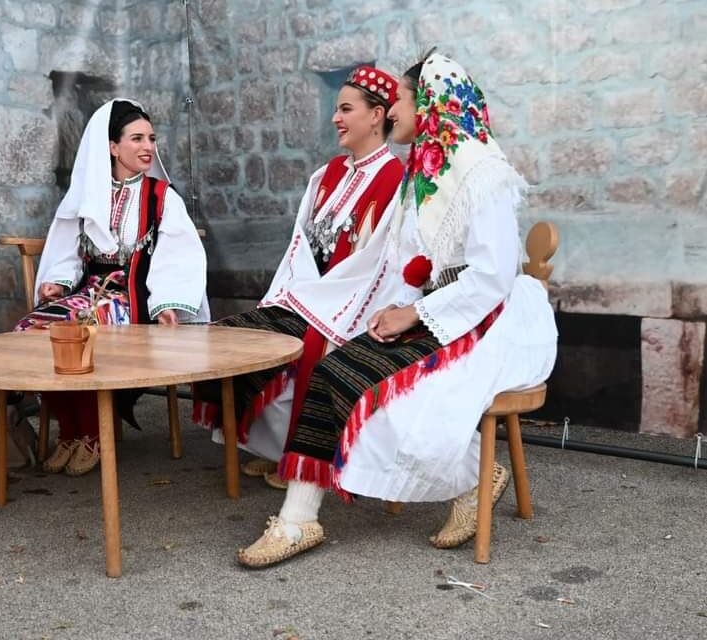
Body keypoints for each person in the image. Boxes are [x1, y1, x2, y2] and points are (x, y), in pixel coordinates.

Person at [236, 53, 558, 568]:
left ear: (429, 105)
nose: (394, 110)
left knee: (376, 387)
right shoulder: (424, 173)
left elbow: (491, 276)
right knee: (334, 368)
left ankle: (475, 474)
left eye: (402, 99)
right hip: (436, 308)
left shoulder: (482, 174)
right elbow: (410, 265)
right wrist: (398, 307)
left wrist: (414, 315)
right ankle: (298, 520)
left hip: (483, 318)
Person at [192, 66, 404, 489]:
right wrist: (289, 295)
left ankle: (295, 456)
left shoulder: (395, 180)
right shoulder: (326, 175)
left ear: (377, 115)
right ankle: (274, 450)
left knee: (295, 347)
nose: (335, 118)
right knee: (232, 335)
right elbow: (299, 246)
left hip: (346, 307)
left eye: (346, 109)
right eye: (336, 109)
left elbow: (379, 265)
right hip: (306, 295)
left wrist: (319, 303)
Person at [15, 98, 208, 476]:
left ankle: (92, 435)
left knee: (84, 332)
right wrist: (57, 281)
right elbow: (68, 246)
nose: (147, 147)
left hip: (135, 300)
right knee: (32, 331)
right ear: (112, 147)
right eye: (136, 138)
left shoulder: (161, 197)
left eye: (151, 138)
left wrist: (168, 303)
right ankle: (70, 431)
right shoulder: (88, 195)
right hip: (87, 294)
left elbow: (179, 254)